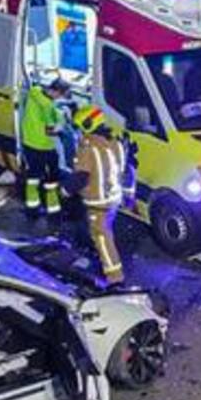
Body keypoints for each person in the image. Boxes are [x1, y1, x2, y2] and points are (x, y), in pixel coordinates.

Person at [67, 105, 135, 286]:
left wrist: (65, 190)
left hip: (98, 202)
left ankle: (115, 278)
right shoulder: (115, 142)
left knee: (102, 238)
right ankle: (104, 263)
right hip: (113, 198)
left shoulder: (88, 147)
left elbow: (81, 176)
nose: (79, 131)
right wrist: (129, 195)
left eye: (80, 127)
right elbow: (127, 170)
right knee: (103, 233)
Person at [20, 73, 71, 219]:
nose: (59, 99)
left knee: (33, 177)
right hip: (44, 147)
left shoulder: (34, 92)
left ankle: (32, 209)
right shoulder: (48, 107)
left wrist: (58, 111)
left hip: (29, 143)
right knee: (52, 180)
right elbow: (51, 131)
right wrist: (62, 122)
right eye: (60, 95)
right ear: (56, 91)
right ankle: (53, 211)